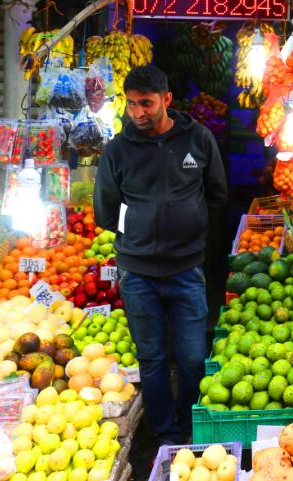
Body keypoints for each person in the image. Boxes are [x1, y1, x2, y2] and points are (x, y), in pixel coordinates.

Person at [94, 65, 228, 445]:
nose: (138, 113)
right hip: (137, 273)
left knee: (190, 358)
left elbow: (218, 196)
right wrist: (140, 226)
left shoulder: (198, 139)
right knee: (152, 360)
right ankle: (164, 434)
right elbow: (105, 211)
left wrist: (192, 227)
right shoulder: (117, 150)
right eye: (132, 104)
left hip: (187, 269)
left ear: (166, 99)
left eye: (146, 103)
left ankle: (189, 425)